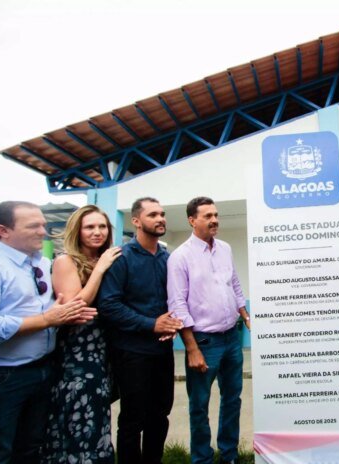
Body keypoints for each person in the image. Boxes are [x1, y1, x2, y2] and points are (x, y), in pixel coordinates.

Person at [0, 201, 96, 463]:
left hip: (40, 370)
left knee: (30, 451)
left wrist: (61, 315)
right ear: (3, 231)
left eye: (43, 224)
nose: (43, 231)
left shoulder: (42, 263)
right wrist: (46, 319)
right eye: (33, 226)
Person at [97, 197, 182, 464]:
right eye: (153, 215)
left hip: (162, 350)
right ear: (136, 221)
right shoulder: (121, 258)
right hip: (131, 352)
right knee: (133, 419)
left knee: (160, 415)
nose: (161, 219)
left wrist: (173, 324)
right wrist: (151, 324)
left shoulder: (168, 259)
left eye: (162, 214)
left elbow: (176, 299)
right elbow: (109, 305)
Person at [167, 196, 250, 464]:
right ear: (192, 220)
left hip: (232, 337)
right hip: (203, 342)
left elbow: (234, 283)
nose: (214, 220)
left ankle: (229, 455)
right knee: (199, 406)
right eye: (207, 216)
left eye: (215, 215)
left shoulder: (225, 248)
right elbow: (177, 304)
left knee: (232, 400)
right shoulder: (180, 257)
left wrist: (245, 315)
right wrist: (191, 348)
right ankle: (202, 459)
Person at [42, 205, 122, 463]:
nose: (97, 232)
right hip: (76, 354)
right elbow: (76, 305)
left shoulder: (107, 259)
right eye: (90, 227)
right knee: (76, 416)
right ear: (77, 231)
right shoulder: (66, 261)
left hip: (102, 350)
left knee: (97, 416)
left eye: (102, 226)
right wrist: (99, 270)